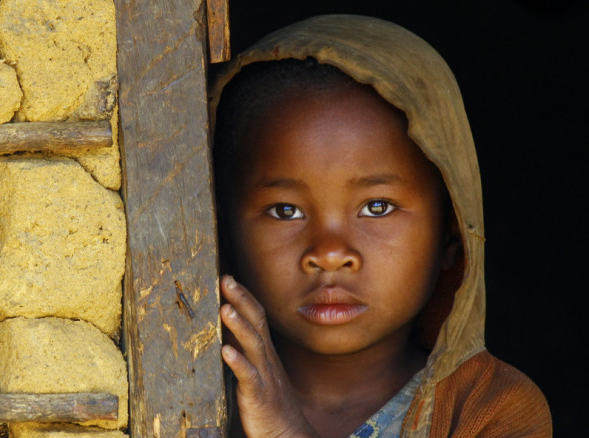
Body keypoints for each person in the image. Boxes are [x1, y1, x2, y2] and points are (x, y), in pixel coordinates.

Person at [210, 15, 552, 438]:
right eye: (284, 211)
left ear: (451, 233)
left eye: (376, 207)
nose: (330, 252)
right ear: (220, 231)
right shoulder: (186, 388)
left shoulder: (488, 408)